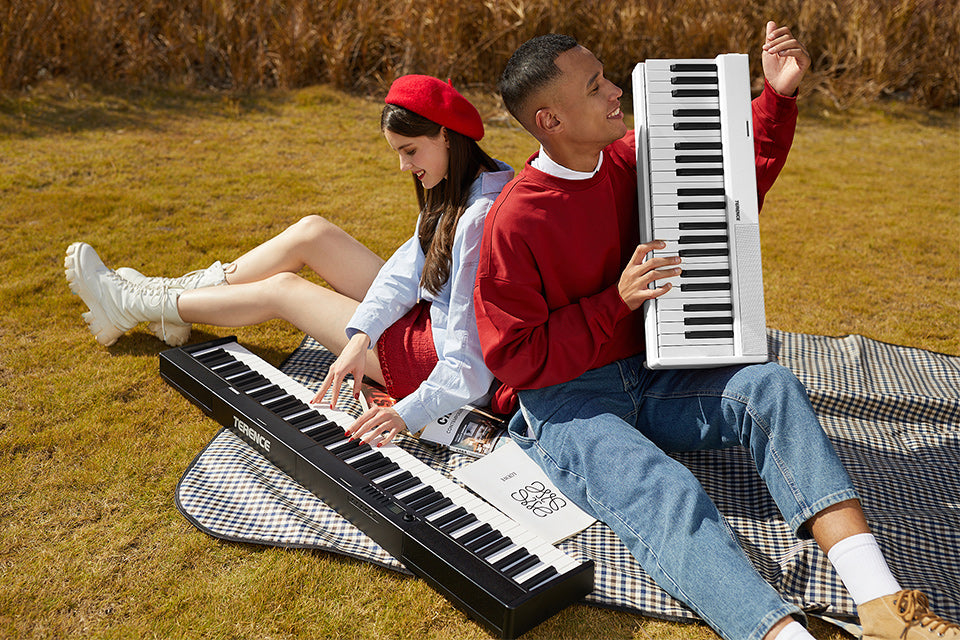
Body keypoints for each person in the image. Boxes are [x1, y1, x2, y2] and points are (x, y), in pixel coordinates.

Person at [473, 21, 958, 640]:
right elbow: (516, 358)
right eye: (595, 86)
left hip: (656, 369)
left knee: (769, 386)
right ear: (551, 120)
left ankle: (884, 607)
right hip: (569, 400)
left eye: (606, 77)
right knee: (666, 490)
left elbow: (728, 171)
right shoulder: (514, 221)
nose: (616, 91)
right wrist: (614, 303)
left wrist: (777, 96)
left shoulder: (630, 158)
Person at [65, 74, 514, 446]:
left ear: (446, 135)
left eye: (409, 151)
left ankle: (139, 304)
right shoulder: (469, 179)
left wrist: (406, 410)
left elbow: (468, 360)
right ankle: (167, 294)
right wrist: (361, 335)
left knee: (284, 291)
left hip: (430, 360)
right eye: (398, 152)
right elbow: (405, 271)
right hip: (425, 316)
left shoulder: (476, 218)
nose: (403, 167)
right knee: (312, 232)